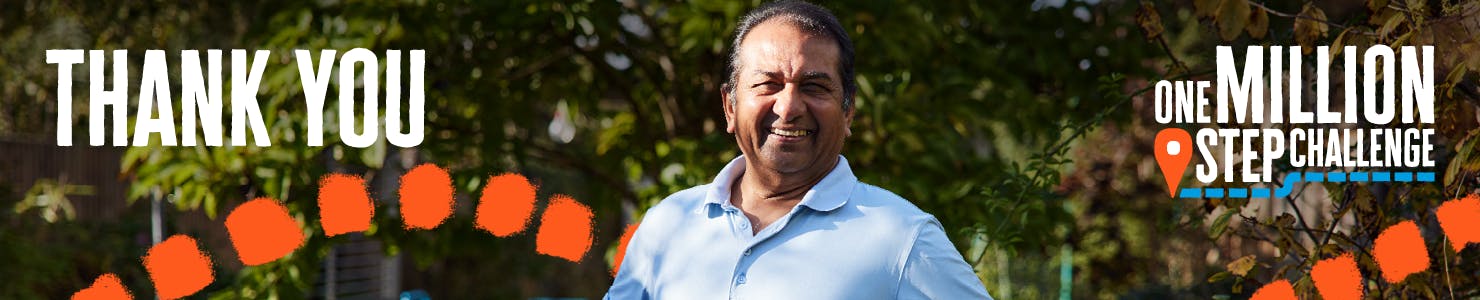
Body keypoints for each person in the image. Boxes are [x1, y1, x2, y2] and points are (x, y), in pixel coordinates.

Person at [605, 1, 992, 299]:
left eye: (814, 86)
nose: (789, 107)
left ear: (849, 110)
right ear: (729, 107)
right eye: (767, 84)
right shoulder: (667, 224)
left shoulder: (903, 238)